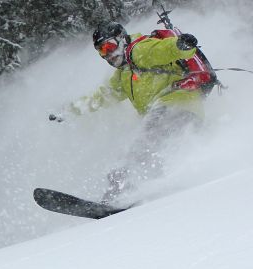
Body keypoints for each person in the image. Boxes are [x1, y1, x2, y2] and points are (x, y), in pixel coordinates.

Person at [52, 21, 207, 204]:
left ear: (121, 39)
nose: (108, 54)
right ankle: (138, 195)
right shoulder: (124, 74)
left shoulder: (140, 50)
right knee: (138, 154)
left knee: (141, 150)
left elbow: (164, 49)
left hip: (177, 104)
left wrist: (181, 46)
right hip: (167, 113)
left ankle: (120, 197)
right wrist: (70, 111)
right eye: (102, 51)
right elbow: (103, 96)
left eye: (109, 46)